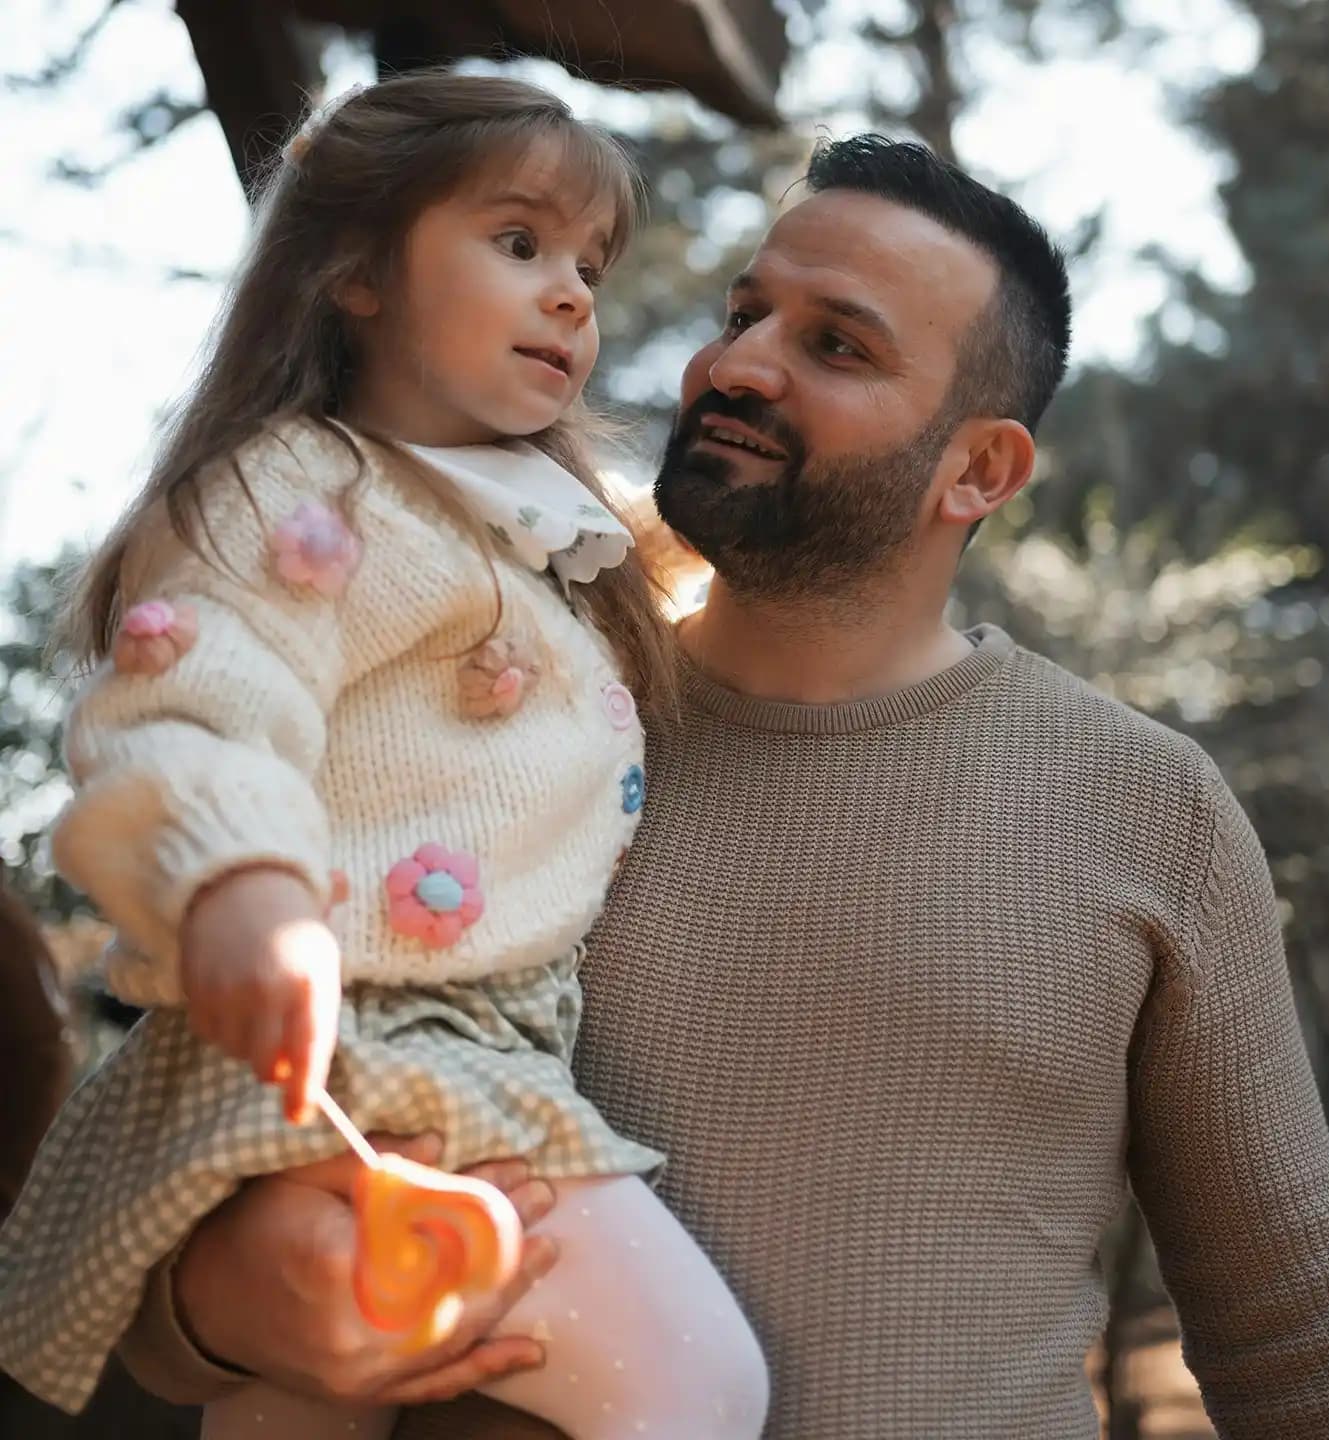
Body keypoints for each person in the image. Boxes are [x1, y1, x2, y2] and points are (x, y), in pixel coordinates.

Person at [119, 135, 1329, 1439]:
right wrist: (232, 1301)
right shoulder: (481, 724)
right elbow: (150, 1184)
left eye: (835, 345)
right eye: (745, 312)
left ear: (979, 470)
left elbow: (1302, 1331)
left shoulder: (1147, 808)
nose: (737, 364)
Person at [0, 73, 770, 1440]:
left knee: (305, 1412)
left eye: (589, 265)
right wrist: (243, 886)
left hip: (470, 1047)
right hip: (366, 1039)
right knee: (695, 1385)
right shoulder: (296, 492)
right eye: (521, 243)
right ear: (351, 268)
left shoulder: (530, 527)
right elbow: (200, 703)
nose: (577, 295)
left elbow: (653, 582)